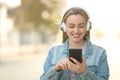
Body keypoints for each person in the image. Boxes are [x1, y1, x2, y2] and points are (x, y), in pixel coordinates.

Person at [40, 7, 109, 80]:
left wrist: (84, 72)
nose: (76, 31)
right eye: (71, 26)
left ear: (87, 27)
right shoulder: (53, 52)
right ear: (64, 27)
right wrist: (56, 69)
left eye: (81, 26)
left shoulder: (100, 53)